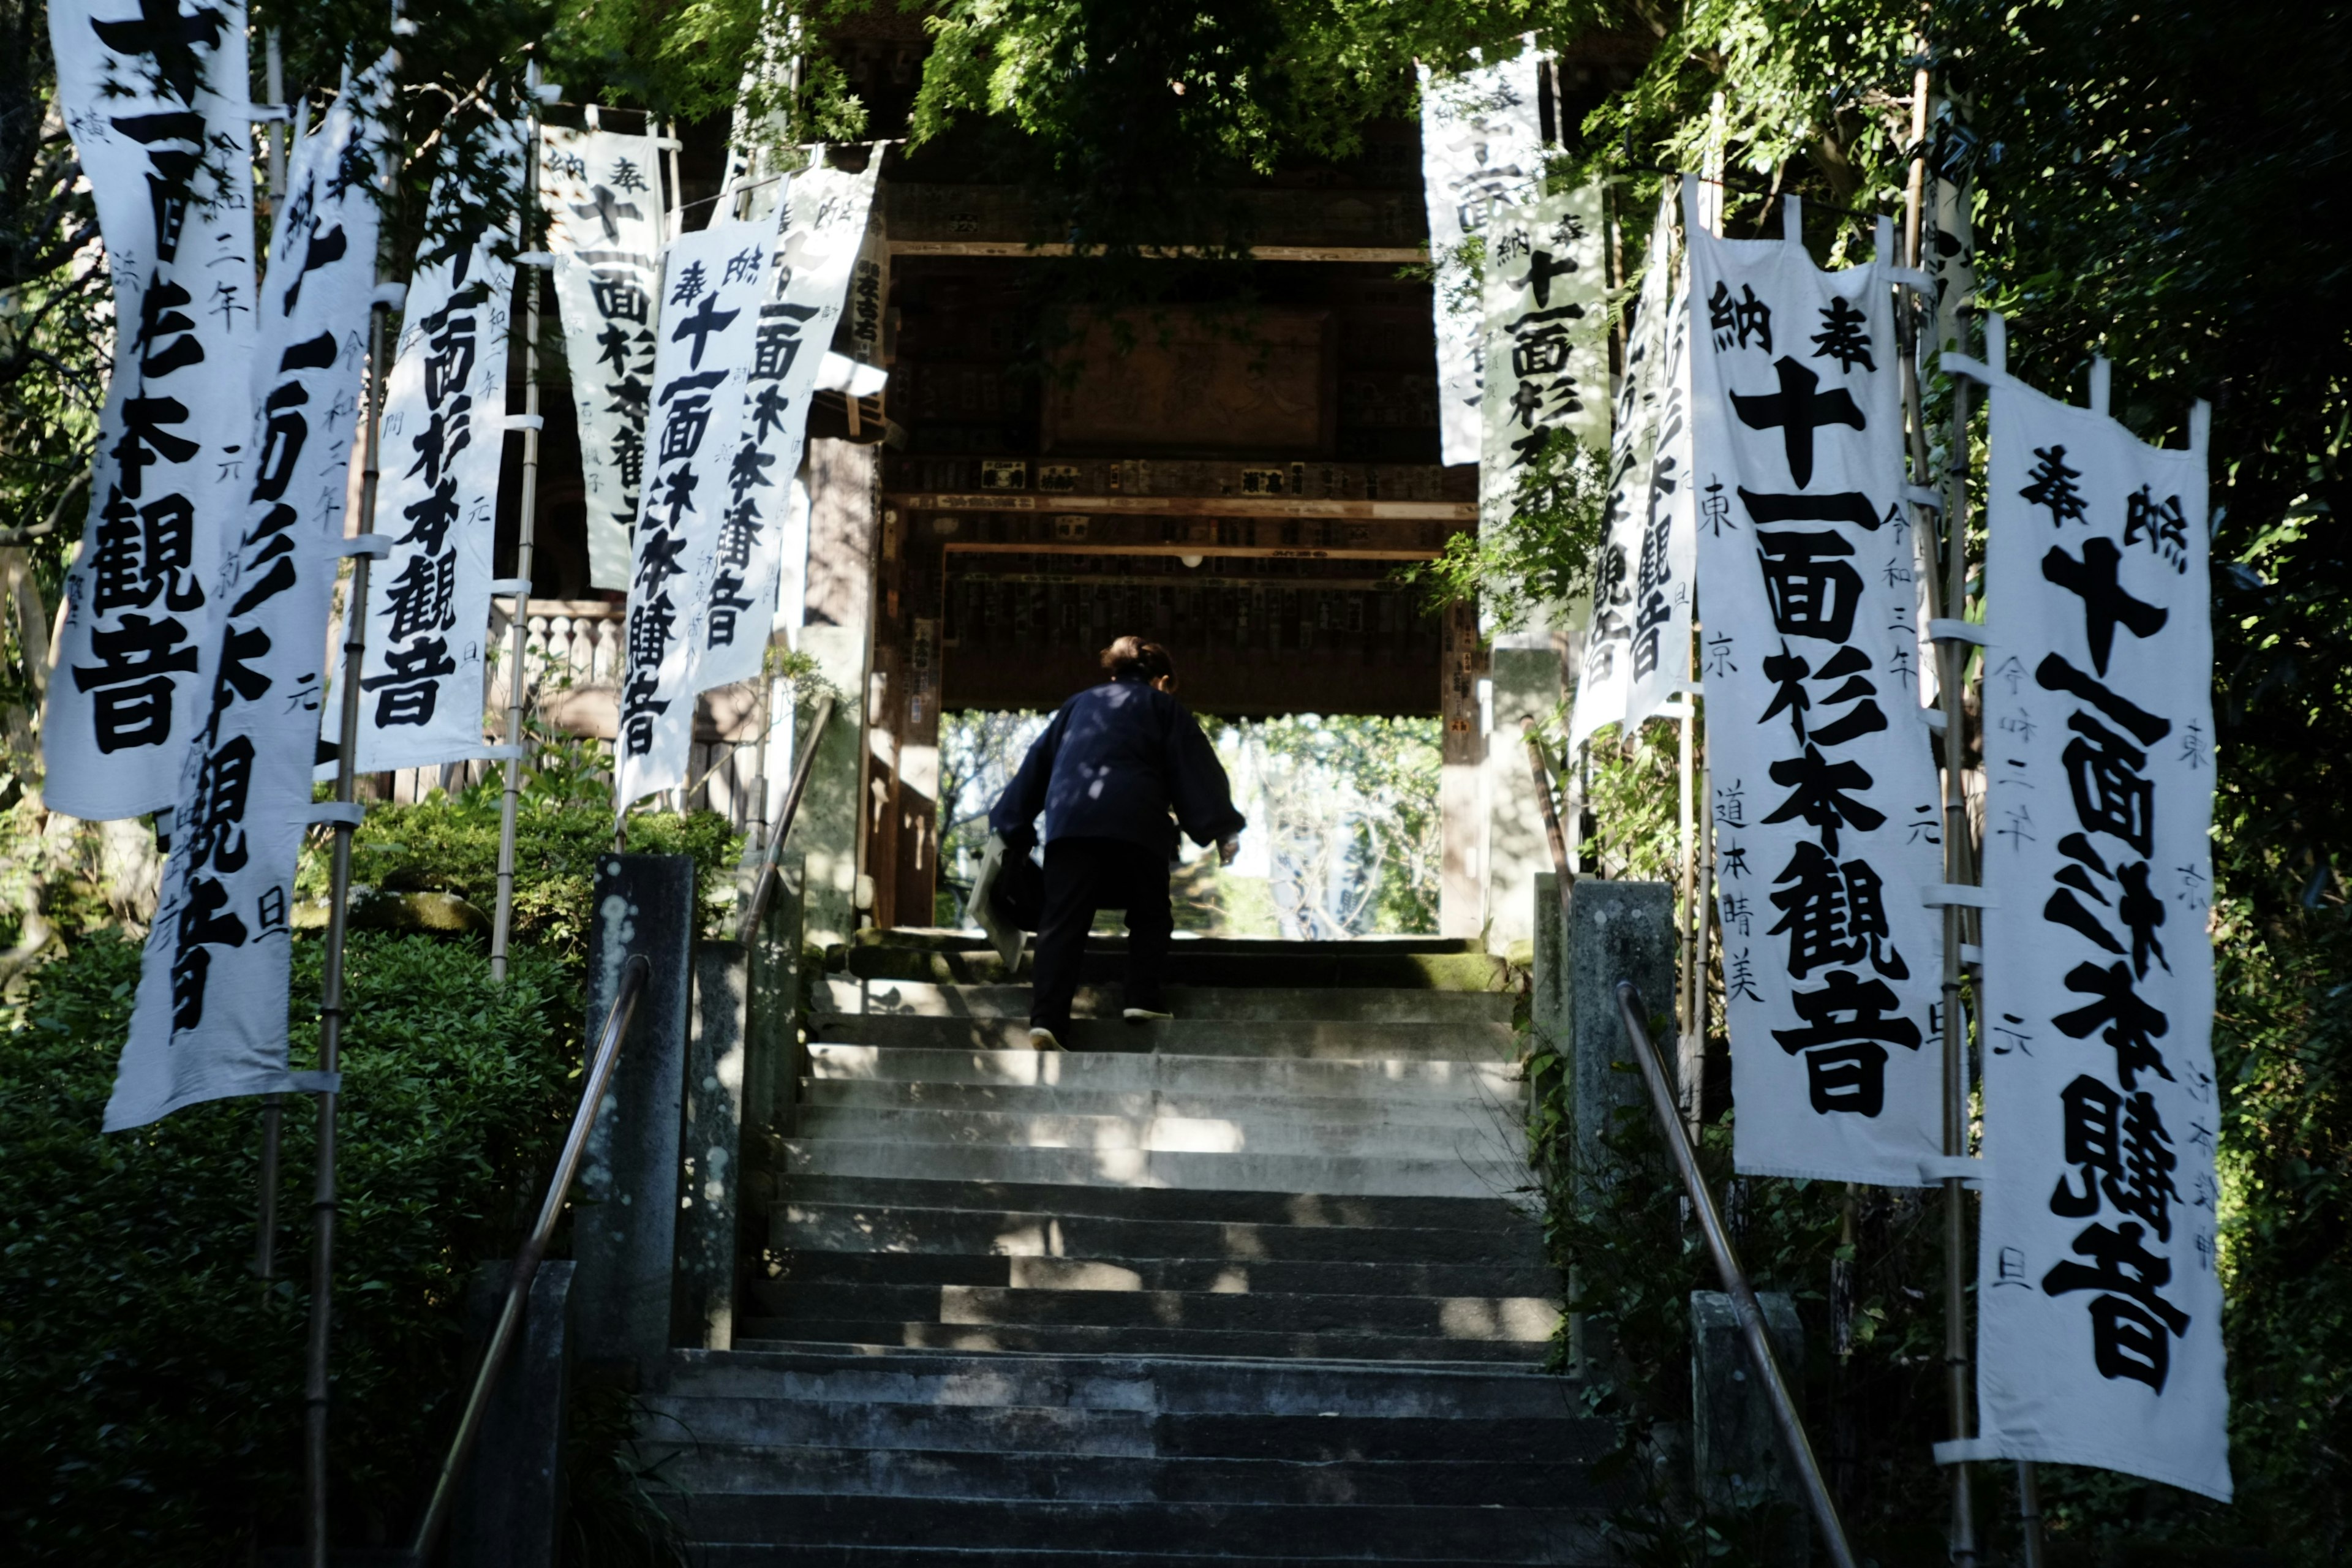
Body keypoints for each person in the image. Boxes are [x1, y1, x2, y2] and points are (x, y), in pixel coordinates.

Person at [989, 636, 1245, 1050]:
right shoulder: (1163, 707)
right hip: (1138, 826)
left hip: (1073, 824)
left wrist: (1011, 822)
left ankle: (1048, 1021)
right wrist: (1222, 829)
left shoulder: (1077, 705)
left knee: (1063, 923)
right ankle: (1141, 999)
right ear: (1162, 680)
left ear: (1113, 672)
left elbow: (1038, 762)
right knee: (1151, 914)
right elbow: (1194, 767)